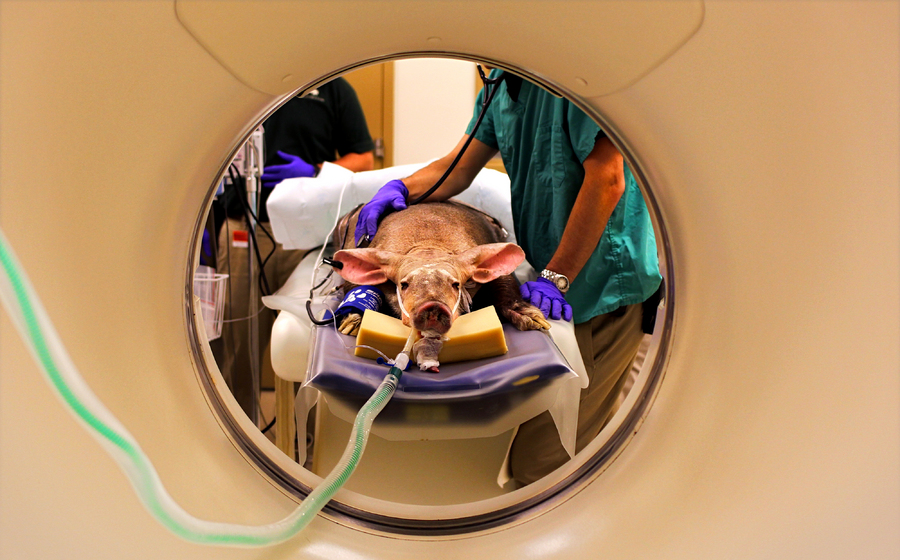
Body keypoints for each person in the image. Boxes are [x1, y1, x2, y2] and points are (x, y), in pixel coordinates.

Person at [354, 69, 661, 486]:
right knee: (535, 455)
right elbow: (456, 170)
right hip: (550, 278)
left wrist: (557, 276)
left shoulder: (569, 76)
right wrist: (400, 188)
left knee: (548, 465)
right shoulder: (499, 87)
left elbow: (608, 178)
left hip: (600, 283)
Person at [215, 77, 375, 421]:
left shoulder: (333, 89)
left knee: (303, 338)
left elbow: (363, 159)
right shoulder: (241, 80)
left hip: (305, 233)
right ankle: (235, 430)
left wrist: (316, 171)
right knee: (238, 342)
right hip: (243, 225)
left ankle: (304, 439)